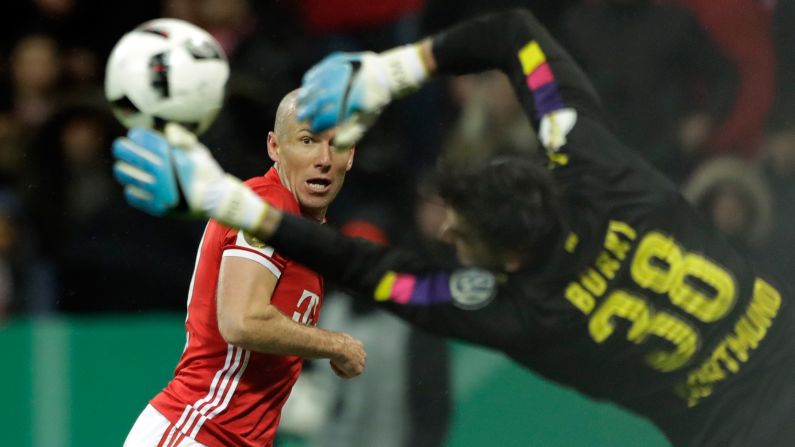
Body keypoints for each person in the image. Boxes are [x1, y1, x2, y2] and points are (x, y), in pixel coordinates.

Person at [112, 9, 795, 446]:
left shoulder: (528, 315)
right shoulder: (608, 177)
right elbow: (517, 34)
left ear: (502, 260)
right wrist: (392, 71)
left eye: (460, 238)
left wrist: (220, 198)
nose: (447, 240)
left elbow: (370, 271)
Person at [120, 90, 366, 447]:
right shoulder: (266, 205)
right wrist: (336, 345)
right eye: (307, 141)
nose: (324, 159)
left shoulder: (302, 236)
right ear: (275, 147)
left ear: (352, 155)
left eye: (336, 145)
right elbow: (242, 321)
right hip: (197, 430)